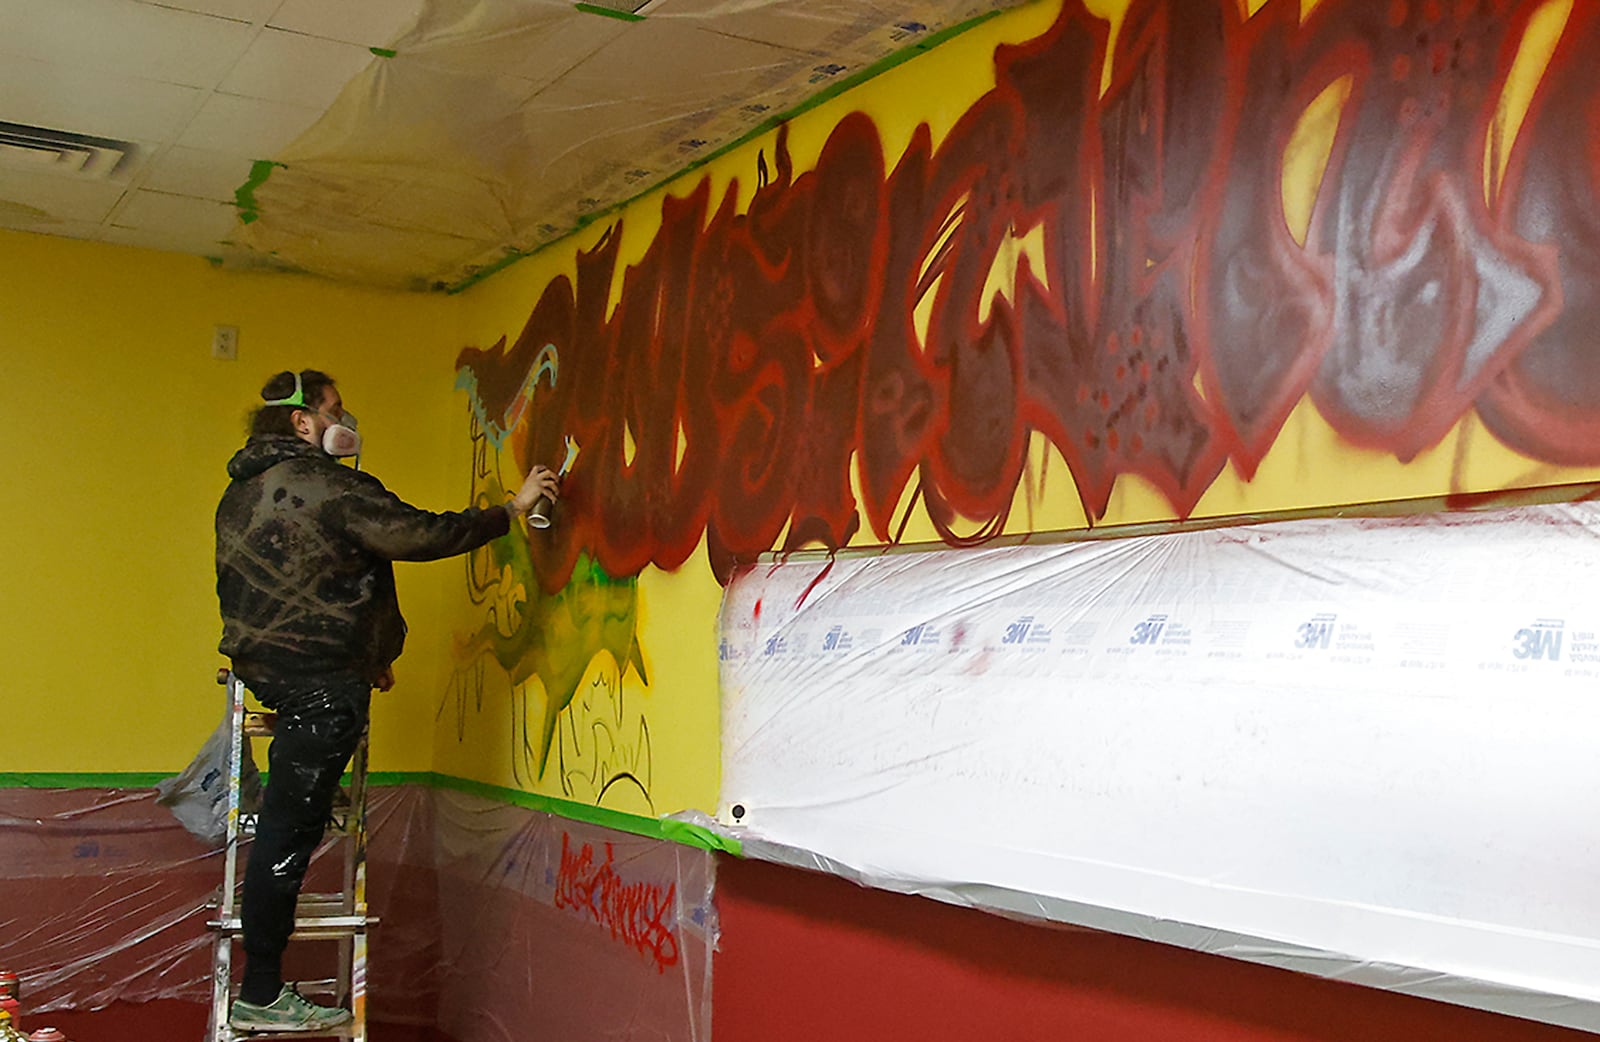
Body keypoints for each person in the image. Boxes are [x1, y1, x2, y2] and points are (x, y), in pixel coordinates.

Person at [215, 368, 557, 1032]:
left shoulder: (239, 492)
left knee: (289, 817)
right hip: (322, 682)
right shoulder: (330, 487)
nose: (348, 419)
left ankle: (262, 966)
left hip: (270, 670)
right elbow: (420, 536)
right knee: (287, 835)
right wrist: (509, 512)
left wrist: (368, 655)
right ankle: (259, 989)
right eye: (336, 409)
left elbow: (306, 580)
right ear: (302, 421)